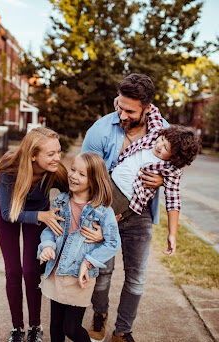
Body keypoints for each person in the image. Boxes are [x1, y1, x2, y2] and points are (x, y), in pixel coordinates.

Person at [81, 74, 171, 342]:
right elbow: (84, 172)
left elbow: (175, 167)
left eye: (130, 111)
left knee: (136, 276)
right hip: (105, 209)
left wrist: (162, 179)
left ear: (146, 108)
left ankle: (123, 330)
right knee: (102, 271)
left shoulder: (164, 131)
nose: (122, 114)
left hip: (140, 214)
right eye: (119, 106)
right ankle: (100, 313)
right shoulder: (100, 129)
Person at [0, 127, 69, 342]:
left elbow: (75, 194)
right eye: (51, 154)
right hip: (9, 211)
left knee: (31, 270)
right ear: (33, 156)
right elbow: (9, 213)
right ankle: (17, 328)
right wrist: (42, 216)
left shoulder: (55, 171)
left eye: (59, 151)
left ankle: (35, 326)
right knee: (13, 271)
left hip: (39, 211)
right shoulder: (10, 168)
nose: (57, 158)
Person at [37, 152, 121, 342]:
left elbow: (113, 242)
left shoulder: (102, 210)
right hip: (57, 270)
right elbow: (51, 230)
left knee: (72, 328)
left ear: (94, 181)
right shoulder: (61, 200)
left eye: (81, 174)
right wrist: (47, 246)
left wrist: (89, 261)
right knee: (56, 326)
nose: (73, 176)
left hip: (79, 276)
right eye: (73, 170)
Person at [111, 124, 200, 254]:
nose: (159, 145)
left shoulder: (170, 169)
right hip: (111, 178)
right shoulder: (154, 137)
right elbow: (152, 113)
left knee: (99, 219)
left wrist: (172, 234)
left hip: (124, 197)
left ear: (174, 158)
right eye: (162, 140)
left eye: (165, 148)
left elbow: (173, 202)